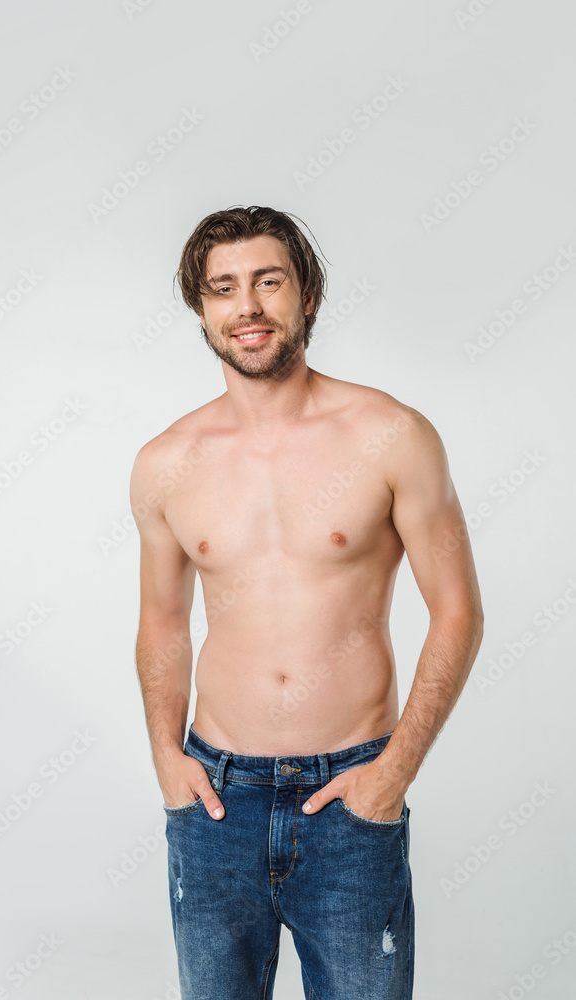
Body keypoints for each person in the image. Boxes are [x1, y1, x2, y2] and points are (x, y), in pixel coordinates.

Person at [129, 205, 484, 1000]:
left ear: (307, 295)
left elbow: (457, 610)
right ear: (201, 309)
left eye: (267, 281)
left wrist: (391, 773)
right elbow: (161, 624)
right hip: (214, 803)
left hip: (352, 800)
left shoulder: (392, 435)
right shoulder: (165, 464)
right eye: (222, 289)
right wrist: (164, 752)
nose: (245, 306)